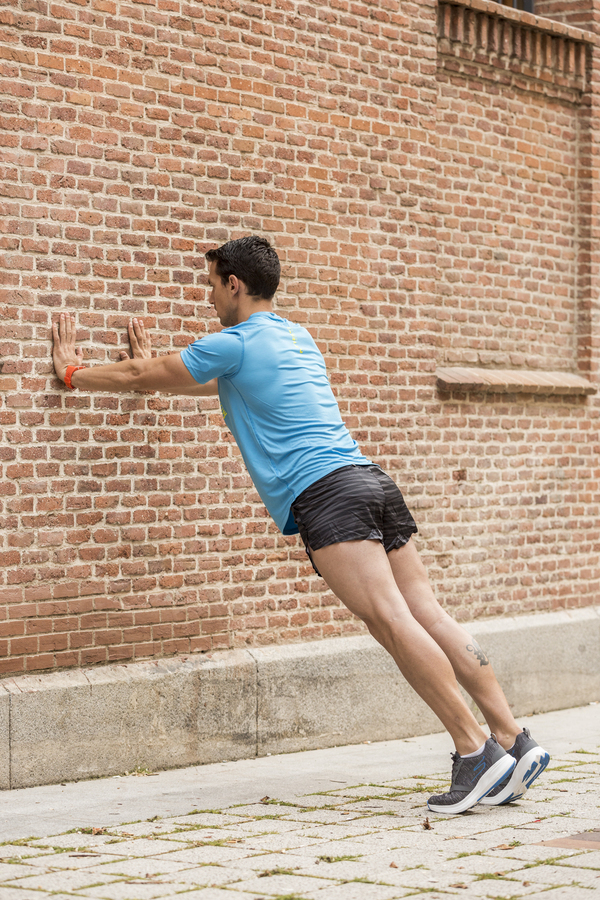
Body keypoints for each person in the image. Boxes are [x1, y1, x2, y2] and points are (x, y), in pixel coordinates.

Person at [52, 235, 549, 814]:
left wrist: (74, 372)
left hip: (328, 497)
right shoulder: (293, 335)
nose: (210, 297)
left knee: (390, 621)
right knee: (426, 612)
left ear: (233, 283)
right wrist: (146, 370)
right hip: (369, 479)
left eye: (211, 285)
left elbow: (154, 372)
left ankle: (476, 753)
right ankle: (514, 739)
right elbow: (198, 380)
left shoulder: (232, 341)